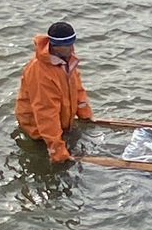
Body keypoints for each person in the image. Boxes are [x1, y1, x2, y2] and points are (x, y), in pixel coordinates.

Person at [15, 20, 93, 164]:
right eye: (66, 45)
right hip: (37, 128)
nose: (71, 48)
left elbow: (77, 87)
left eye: (72, 42)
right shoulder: (40, 73)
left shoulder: (68, 59)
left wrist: (85, 114)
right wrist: (56, 149)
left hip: (62, 120)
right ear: (55, 46)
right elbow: (46, 113)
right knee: (53, 161)